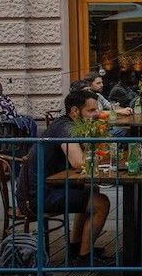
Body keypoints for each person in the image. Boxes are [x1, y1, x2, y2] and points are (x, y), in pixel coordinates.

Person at [38, 89, 112, 266]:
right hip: (41, 193)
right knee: (101, 203)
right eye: (91, 111)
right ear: (74, 111)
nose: (96, 115)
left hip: (52, 187)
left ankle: (75, 247)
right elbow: (78, 162)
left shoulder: (70, 125)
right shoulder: (66, 128)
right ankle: (84, 257)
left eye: (96, 110)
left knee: (90, 189)